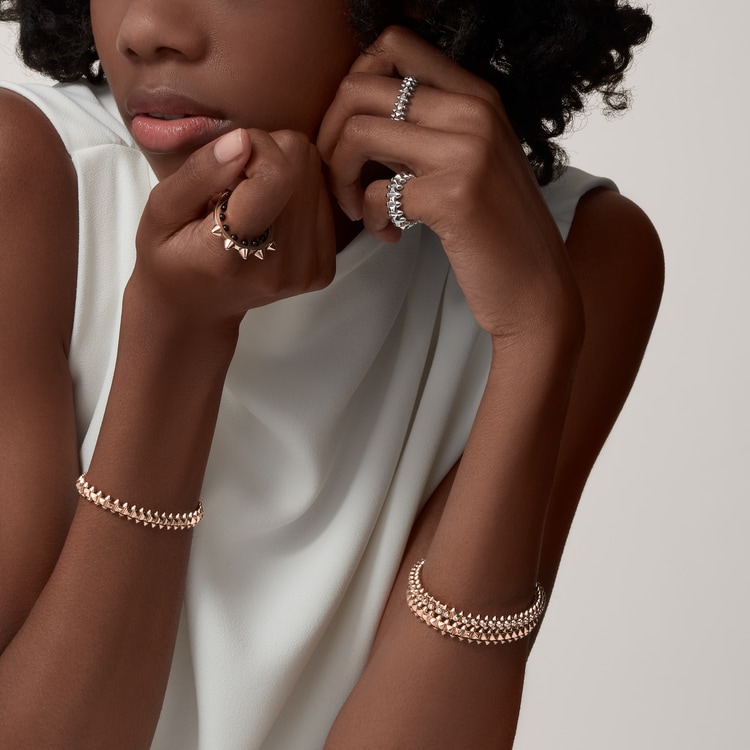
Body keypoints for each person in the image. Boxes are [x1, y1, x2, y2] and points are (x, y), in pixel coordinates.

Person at [0, 1, 663, 748]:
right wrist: (176, 338)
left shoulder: (576, 256)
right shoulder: (30, 178)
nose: (144, 27)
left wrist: (534, 338)